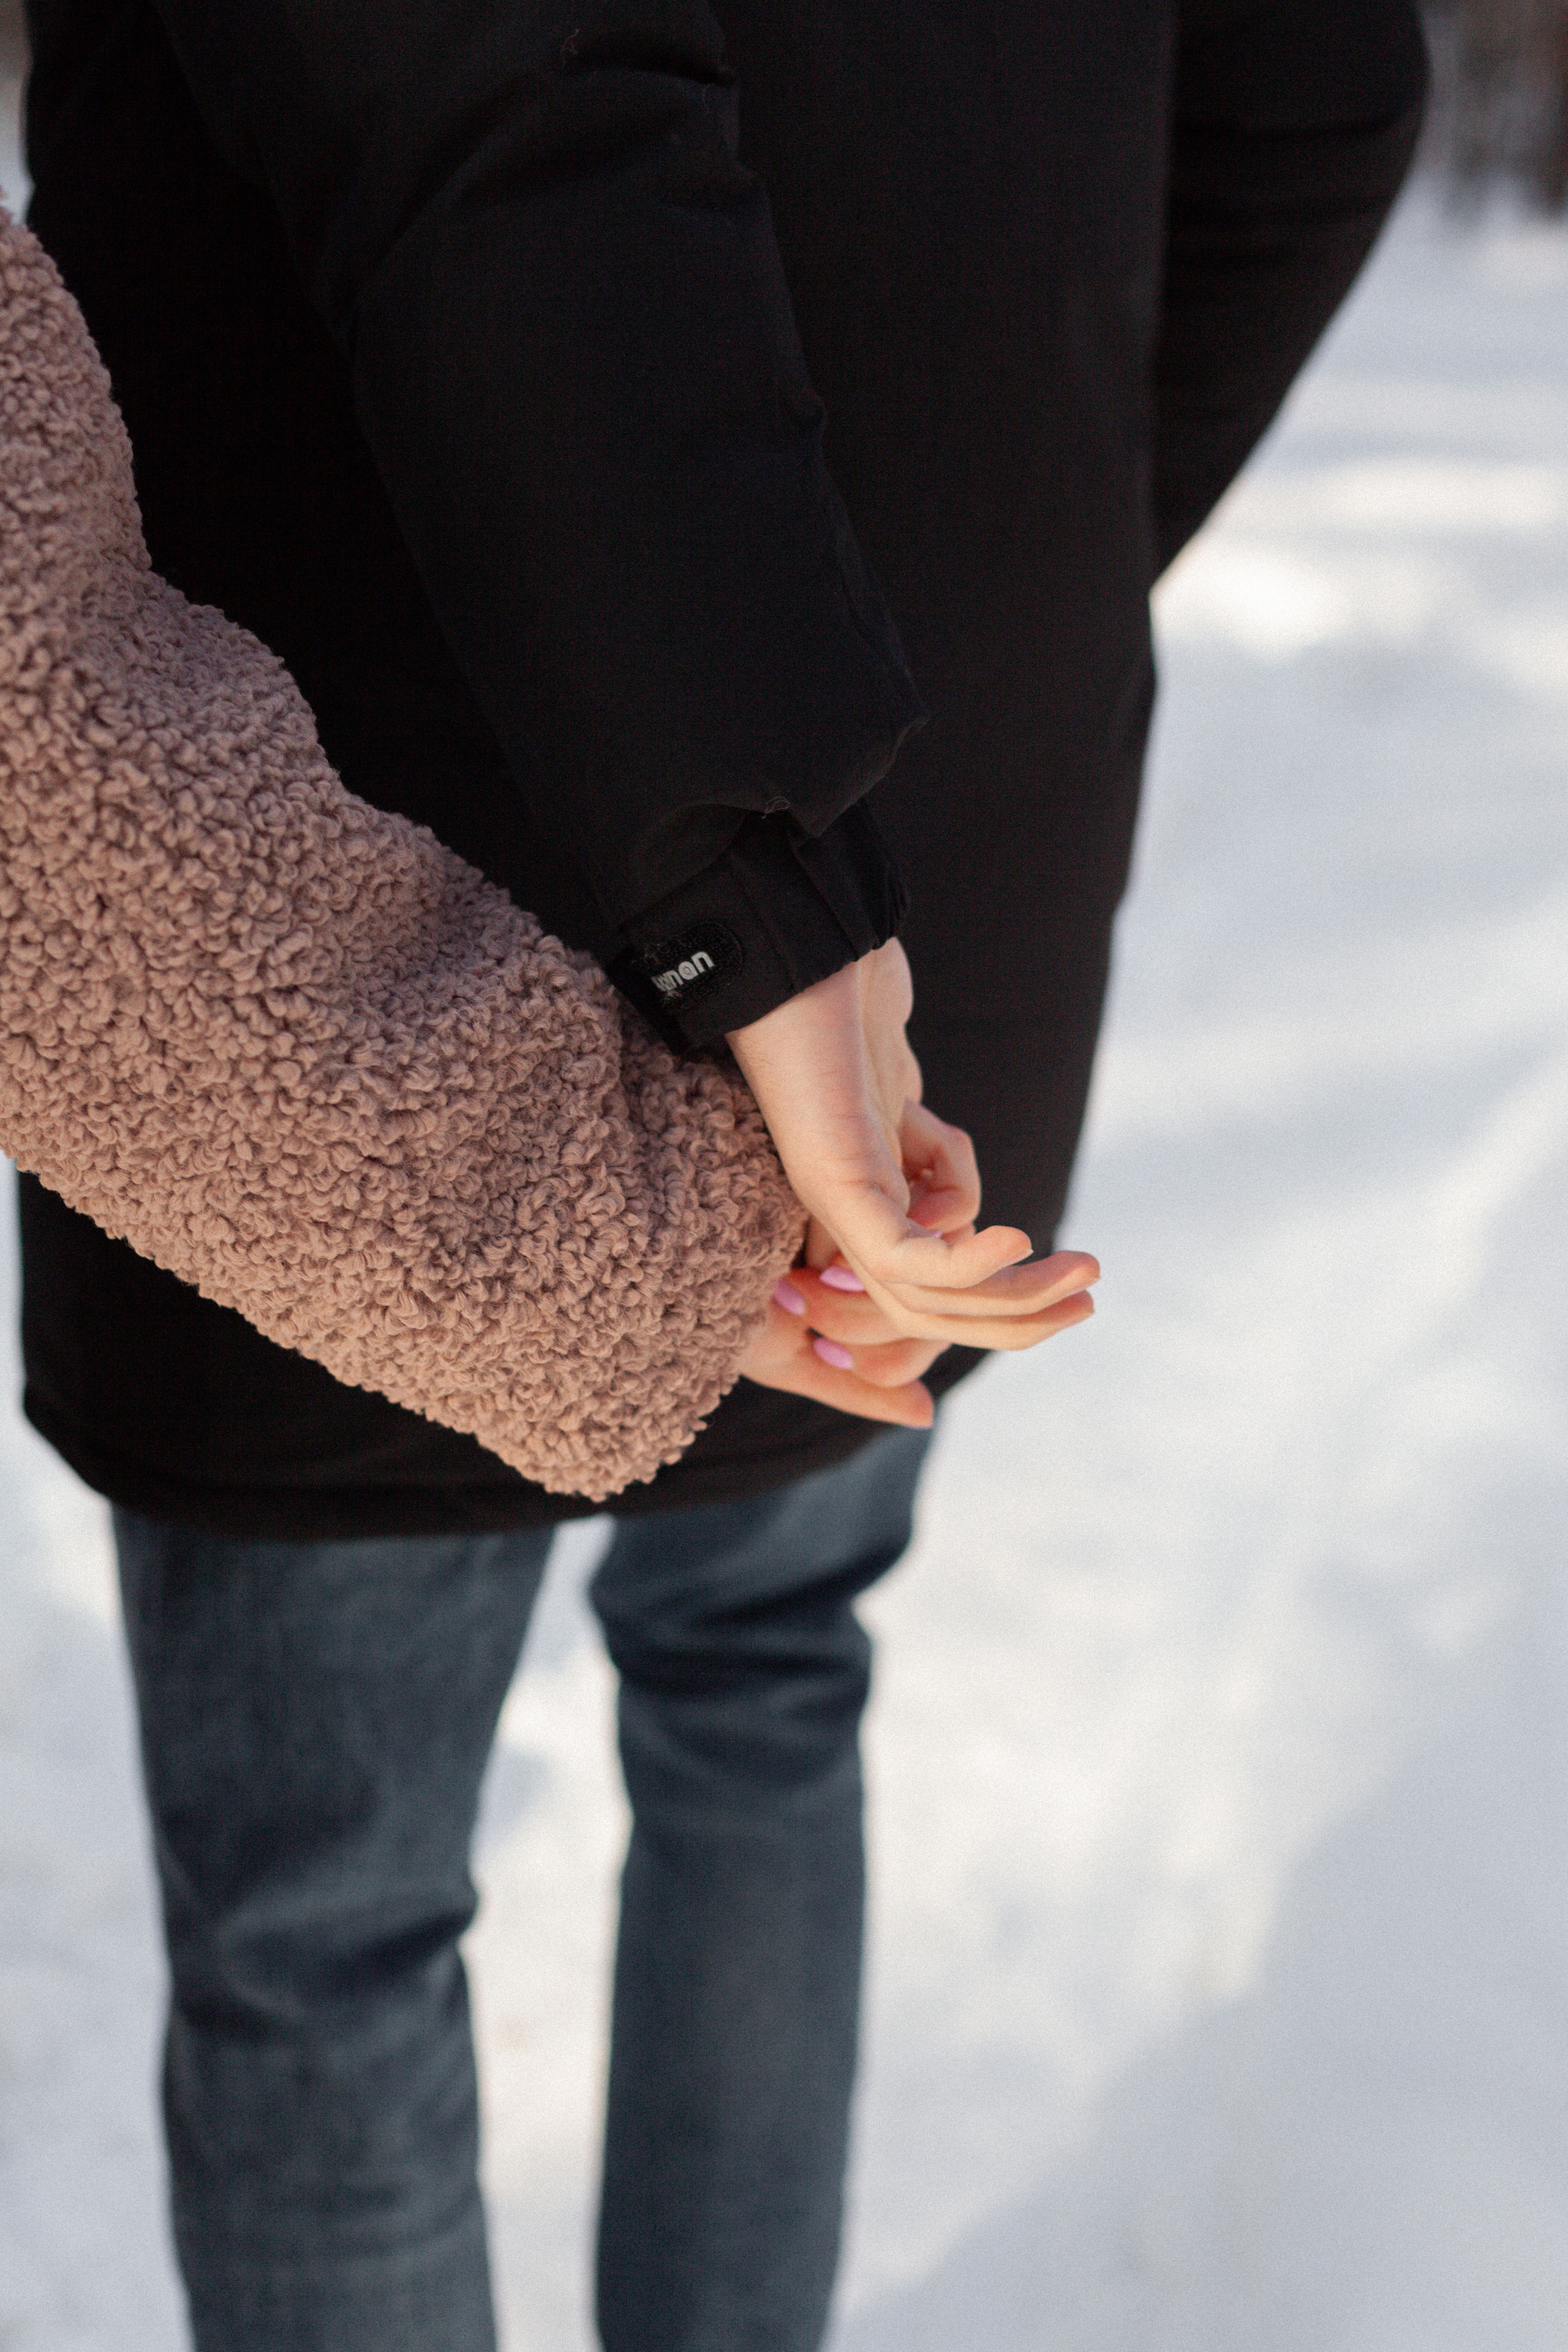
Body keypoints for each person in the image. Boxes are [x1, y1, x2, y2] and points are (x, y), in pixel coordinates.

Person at [6, 1, 1427, 2346]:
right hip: (879, 890)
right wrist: (1014, 574)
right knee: (769, 1691)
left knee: (325, 1929)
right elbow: (1321, 95)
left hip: (326, 846)